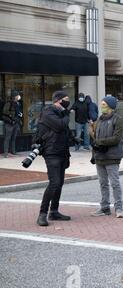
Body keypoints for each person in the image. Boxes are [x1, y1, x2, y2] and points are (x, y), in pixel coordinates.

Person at [34, 91, 72, 227]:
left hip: (62, 152)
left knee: (60, 182)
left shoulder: (60, 113)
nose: (68, 102)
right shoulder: (48, 112)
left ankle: (54, 211)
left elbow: (64, 131)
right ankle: (42, 214)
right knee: (54, 182)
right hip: (51, 152)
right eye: (66, 99)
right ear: (58, 100)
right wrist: (67, 113)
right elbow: (60, 125)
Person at [89, 96, 123, 218]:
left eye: (104, 104)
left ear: (110, 106)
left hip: (112, 156)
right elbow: (95, 139)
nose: (101, 106)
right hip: (100, 156)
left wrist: (100, 142)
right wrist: (94, 152)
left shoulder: (118, 119)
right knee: (103, 183)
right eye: (101, 104)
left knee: (114, 183)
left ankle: (119, 208)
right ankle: (104, 207)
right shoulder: (98, 120)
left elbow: (117, 138)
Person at [2, 91, 23, 158]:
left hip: (16, 123)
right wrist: (11, 115)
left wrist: (20, 116)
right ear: (14, 96)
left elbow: (18, 112)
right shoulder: (9, 103)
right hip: (9, 123)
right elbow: (4, 112)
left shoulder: (18, 103)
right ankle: (6, 153)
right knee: (7, 138)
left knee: (13, 138)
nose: (19, 96)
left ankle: (13, 151)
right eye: (17, 95)